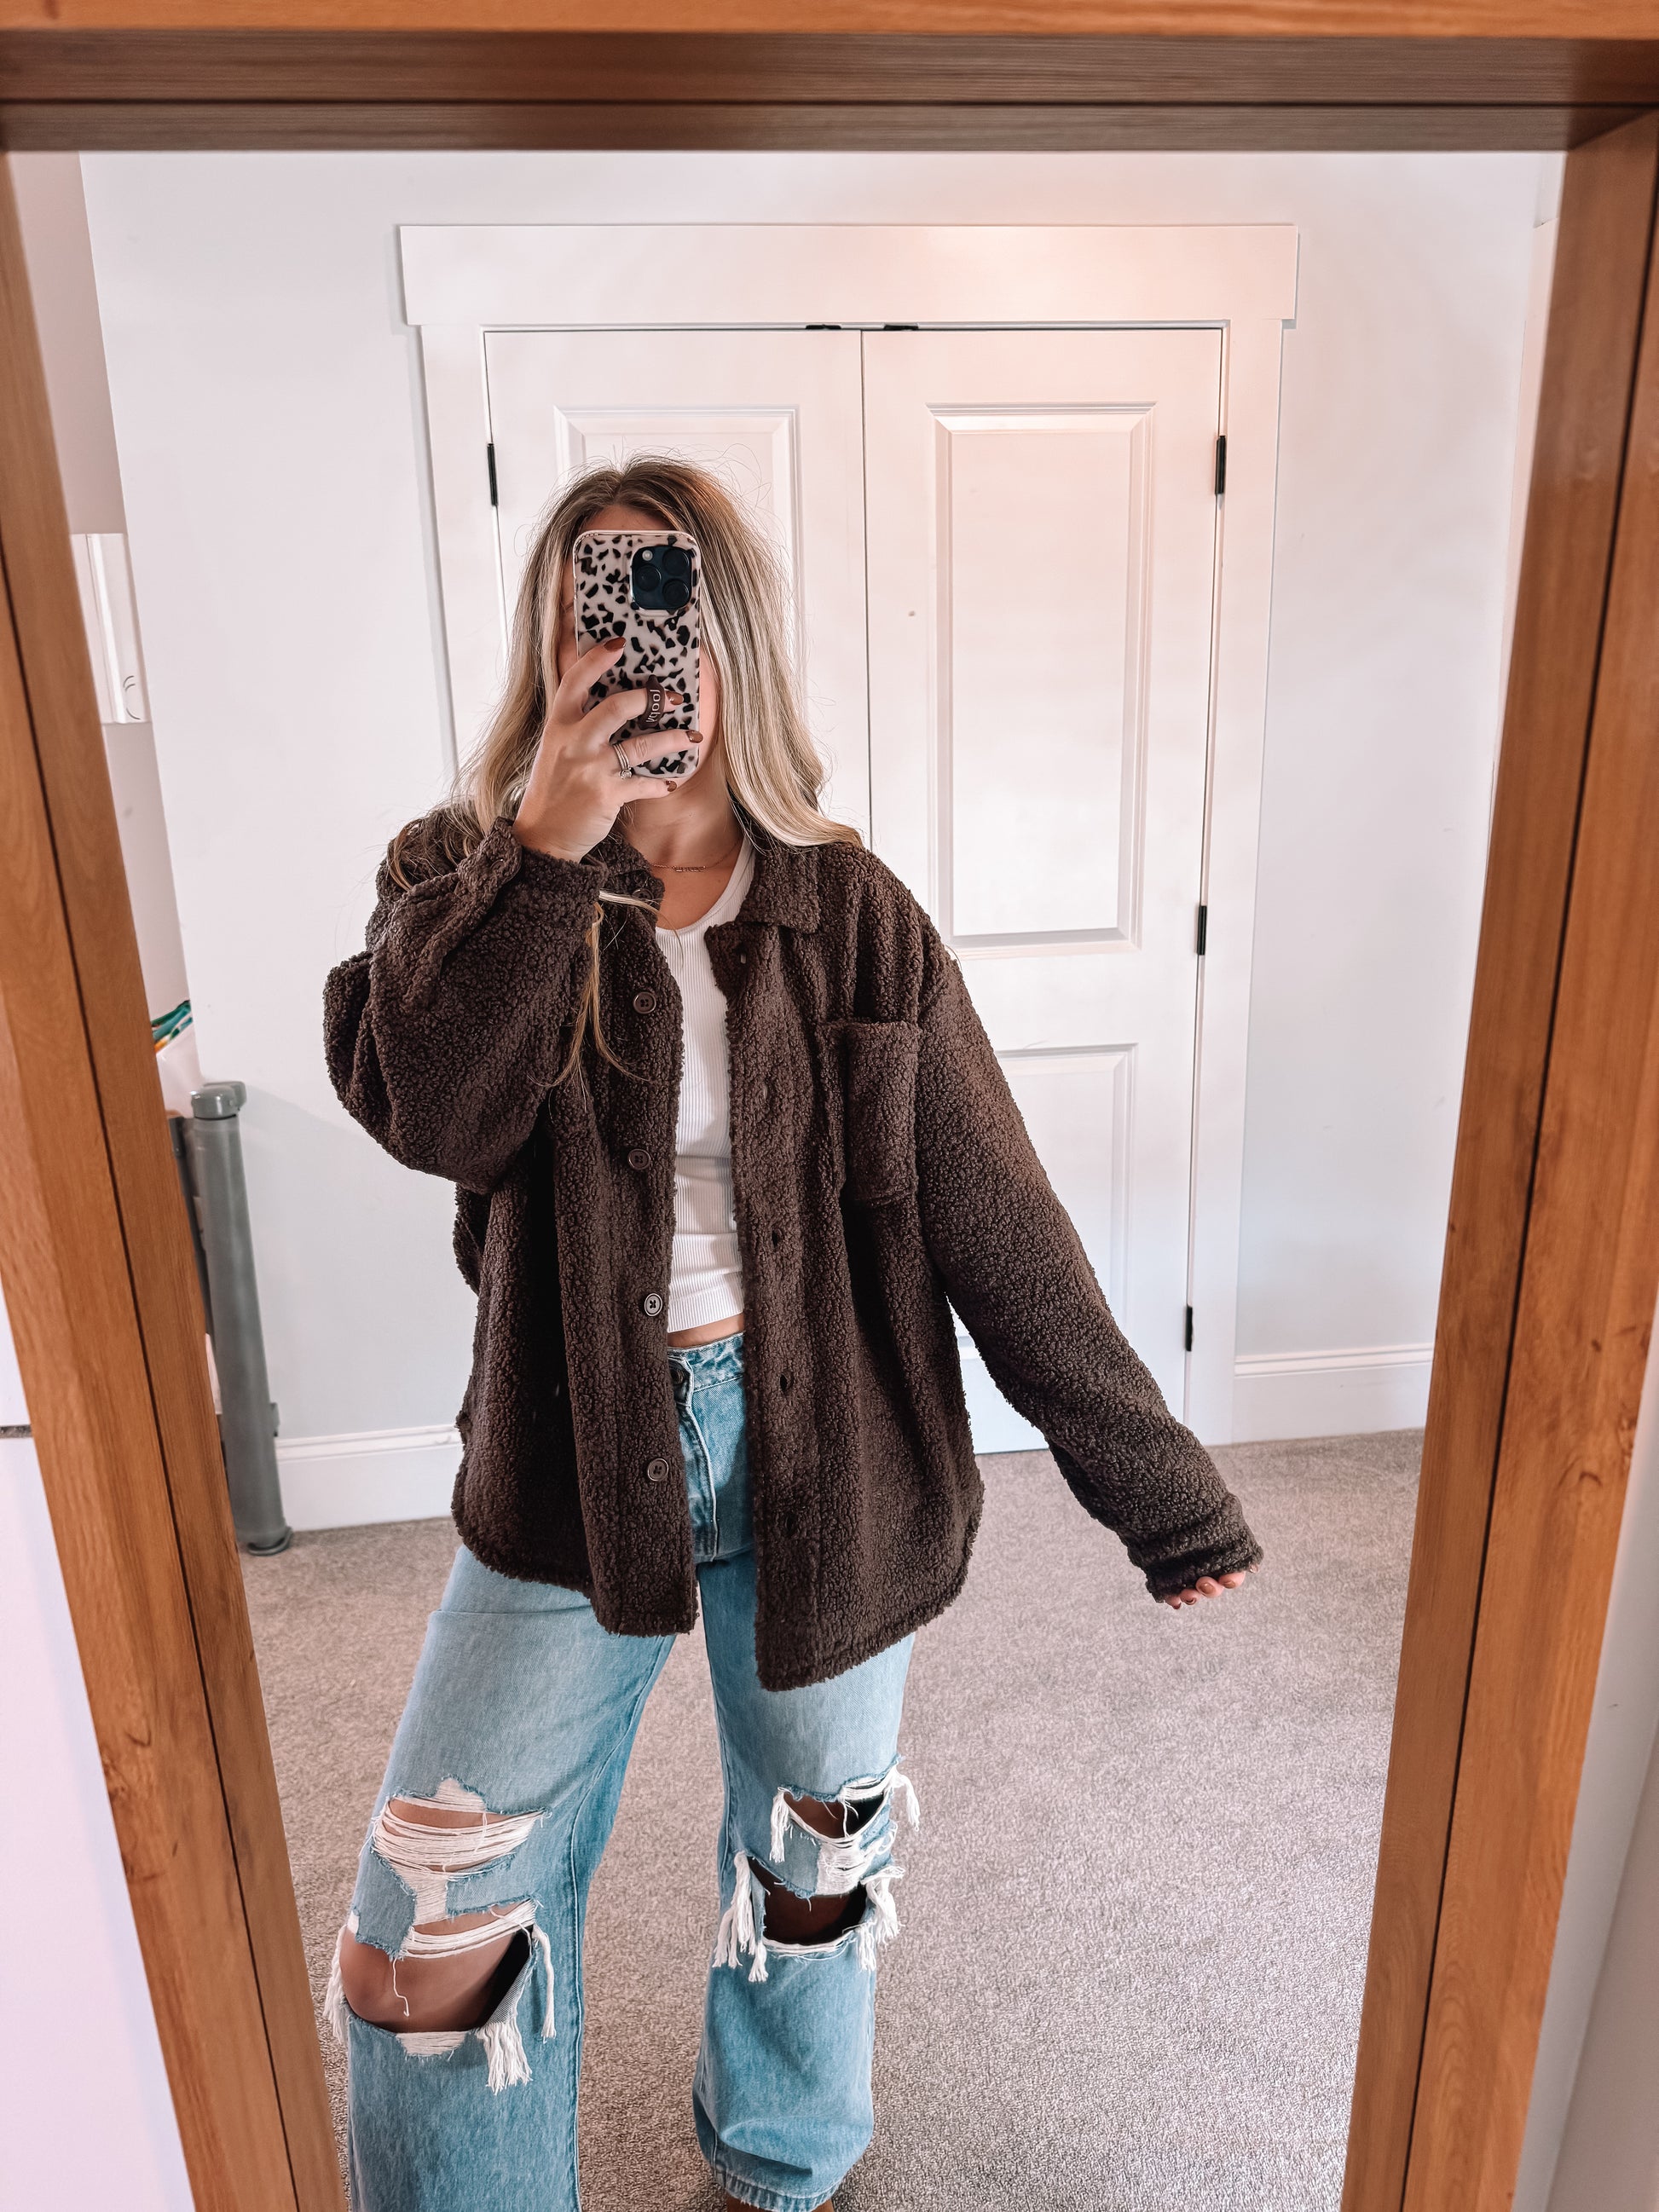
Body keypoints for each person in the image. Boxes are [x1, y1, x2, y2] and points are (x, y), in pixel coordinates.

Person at [321, 455, 1261, 2212]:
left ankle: (780, 2159)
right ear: (552, 639)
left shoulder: (850, 910)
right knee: (436, 1901)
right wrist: (549, 847)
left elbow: (998, 1220)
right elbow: (433, 1111)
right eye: (593, 610)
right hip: (569, 1457)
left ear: (725, 634)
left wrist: (1159, 1489)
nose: (630, 651)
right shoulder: (457, 872)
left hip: (835, 1447)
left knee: (814, 1851)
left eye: (661, 606)